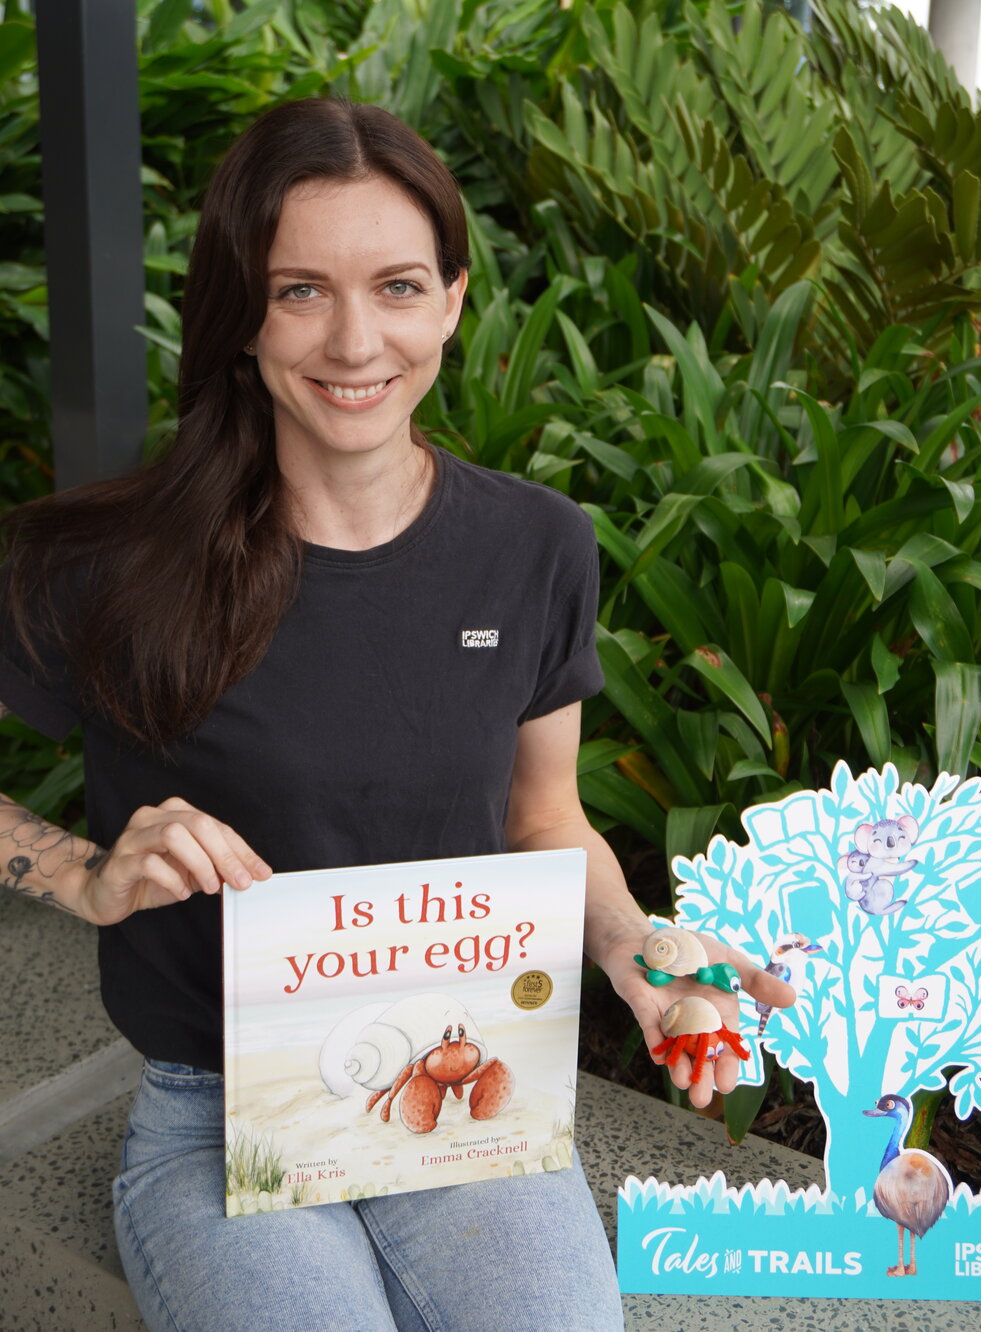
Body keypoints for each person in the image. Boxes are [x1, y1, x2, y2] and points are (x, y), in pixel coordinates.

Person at [0, 98, 792, 1331]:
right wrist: (79, 873)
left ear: (453, 302)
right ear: (242, 313)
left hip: (465, 1085)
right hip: (216, 1110)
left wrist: (635, 952)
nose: (356, 340)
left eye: (400, 287)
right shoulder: (111, 560)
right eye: (300, 291)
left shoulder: (534, 544)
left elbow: (544, 818)